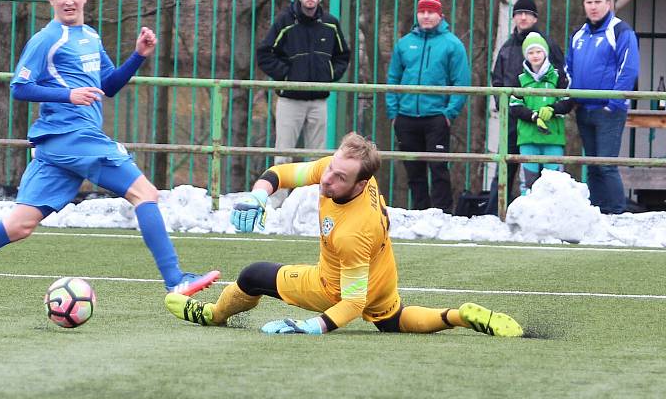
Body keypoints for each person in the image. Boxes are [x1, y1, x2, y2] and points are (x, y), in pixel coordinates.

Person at [0, 0, 219, 307]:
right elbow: (19, 87)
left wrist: (137, 56)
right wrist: (67, 94)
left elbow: (109, 86)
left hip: (59, 148)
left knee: (19, 225)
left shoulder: (89, 35)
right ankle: (175, 280)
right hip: (73, 137)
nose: (69, 0)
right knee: (145, 194)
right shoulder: (47, 38)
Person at [164, 132, 523, 338]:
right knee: (392, 321)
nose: (327, 180)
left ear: (361, 183)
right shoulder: (342, 170)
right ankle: (456, 316)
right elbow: (282, 173)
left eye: (338, 178)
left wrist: (310, 326)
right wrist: (258, 195)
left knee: (252, 275)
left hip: (333, 287)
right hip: (383, 279)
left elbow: (351, 303)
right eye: (330, 169)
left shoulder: (354, 229)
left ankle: (212, 314)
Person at [256, 0, 350, 171]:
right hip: (290, 100)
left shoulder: (330, 24)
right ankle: (277, 201)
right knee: (283, 155)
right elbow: (264, 53)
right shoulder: (285, 21)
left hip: (319, 100)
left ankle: (313, 199)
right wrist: (286, 75)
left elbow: (343, 55)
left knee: (317, 159)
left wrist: (329, 74)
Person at [385, 0, 471, 213]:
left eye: (430, 12)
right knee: (414, 171)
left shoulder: (453, 45)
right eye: (422, 12)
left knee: (438, 168)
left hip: (436, 117)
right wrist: (394, 112)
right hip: (406, 117)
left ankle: (442, 214)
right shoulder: (404, 44)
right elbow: (393, 78)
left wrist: (448, 114)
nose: (426, 16)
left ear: (440, 15)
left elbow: (461, 82)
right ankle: (420, 213)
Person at [486, 0, 566, 215]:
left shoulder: (548, 44)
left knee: (547, 170)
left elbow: (562, 81)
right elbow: (498, 80)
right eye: (519, 13)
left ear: (535, 17)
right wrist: (505, 108)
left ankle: (549, 214)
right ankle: (496, 213)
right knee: (507, 165)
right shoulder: (506, 47)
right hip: (514, 118)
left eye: (528, 13)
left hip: (544, 120)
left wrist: (551, 109)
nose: (523, 17)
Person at [566, 0, 639, 214]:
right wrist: (572, 96)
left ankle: (617, 213)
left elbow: (629, 69)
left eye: (598, 2)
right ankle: (597, 213)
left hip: (609, 110)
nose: (593, 7)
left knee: (606, 165)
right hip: (583, 108)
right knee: (593, 166)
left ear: (608, 3)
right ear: (584, 5)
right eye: (589, 2)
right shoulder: (578, 34)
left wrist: (614, 103)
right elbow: (568, 67)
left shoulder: (621, 31)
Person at [509, 32, 573, 191]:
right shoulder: (519, 79)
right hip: (528, 137)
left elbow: (567, 101)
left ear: (545, 52)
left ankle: (553, 214)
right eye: (530, 52)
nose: (535, 55)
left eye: (538, 51)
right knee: (528, 184)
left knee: (555, 185)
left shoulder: (559, 77)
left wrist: (552, 109)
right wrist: (533, 115)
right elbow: (514, 105)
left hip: (552, 137)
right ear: (525, 55)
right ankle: (527, 214)